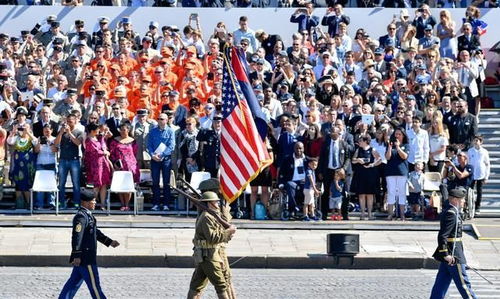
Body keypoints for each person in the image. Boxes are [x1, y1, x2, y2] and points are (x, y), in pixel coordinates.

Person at [58, 190, 120, 299]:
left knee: (72, 284)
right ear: (85, 203)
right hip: (86, 259)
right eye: (93, 201)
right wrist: (77, 255)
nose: (95, 203)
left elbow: (96, 233)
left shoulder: (88, 215)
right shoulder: (81, 217)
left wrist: (109, 242)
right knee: (95, 287)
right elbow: (77, 237)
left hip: (84, 258)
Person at [187, 191, 237, 299]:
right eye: (216, 202)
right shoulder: (206, 217)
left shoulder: (210, 216)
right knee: (221, 285)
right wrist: (228, 232)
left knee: (196, 285)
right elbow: (213, 238)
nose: (218, 204)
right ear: (210, 204)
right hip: (209, 256)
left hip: (208, 255)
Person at [430, 188, 477, 299]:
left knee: (440, 285)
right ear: (455, 200)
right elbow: (443, 236)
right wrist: (446, 254)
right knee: (464, 284)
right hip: (454, 255)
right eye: (462, 200)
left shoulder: (452, 211)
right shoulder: (451, 213)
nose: (464, 202)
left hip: (452, 252)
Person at [147, 112, 175, 211]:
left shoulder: (171, 131)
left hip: (166, 160)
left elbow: (171, 146)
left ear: (167, 120)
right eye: (159, 118)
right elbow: (149, 145)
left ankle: (166, 204)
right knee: (155, 182)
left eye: (162, 119)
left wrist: (162, 155)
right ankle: (156, 203)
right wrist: (152, 155)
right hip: (154, 160)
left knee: (166, 183)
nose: (160, 120)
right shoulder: (152, 131)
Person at [55, 113, 84, 208]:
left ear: (75, 121)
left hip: (74, 160)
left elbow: (78, 143)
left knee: (76, 183)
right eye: (67, 121)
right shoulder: (62, 131)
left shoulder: (79, 132)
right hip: (63, 159)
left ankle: (76, 203)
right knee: (61, 183)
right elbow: (56, 143)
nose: (68, 123)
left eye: (70, 121)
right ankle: (61, 203)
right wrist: (61, 132)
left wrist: (69, 133)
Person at [109, 122, 139, 211]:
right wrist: (115, 163)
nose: (122, 132)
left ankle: (127, 204)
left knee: (128, 186)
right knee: (120, 186)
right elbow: (112, 153)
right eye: (120, 130)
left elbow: (135, 153)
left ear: (128, 130)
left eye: (124, 130)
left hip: (130, 166)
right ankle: (122, 204)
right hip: (119, 166)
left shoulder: (133, 141)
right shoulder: (115, 140)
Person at [350, 135, 381, 220]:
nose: (359, 142)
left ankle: (370, 214)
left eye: (361, 141)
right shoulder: (358, 150)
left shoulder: (372, 149)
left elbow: (379, 159)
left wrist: (372, 164)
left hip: (370, 173)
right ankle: (362, 213)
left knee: (370, 194)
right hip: (360, 173)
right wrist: (358, 160)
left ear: (365, 141)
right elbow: (353, 160)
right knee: (361, 194)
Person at [7, 122, 37, 208]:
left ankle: (29, 204)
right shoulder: (17, 138)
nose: (23, 130)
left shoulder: (31, 139)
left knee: (27, 185)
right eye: (22, 128)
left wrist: (28, 133)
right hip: (18, 167)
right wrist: (13, 131)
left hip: (27, 167)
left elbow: (36, 142)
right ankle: (19, 204)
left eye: (25, 128)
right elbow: (9, 141)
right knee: (18, 185)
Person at [84, 123, 112, 211]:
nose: (98, 130)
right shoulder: (88, 140)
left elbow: (103, 145)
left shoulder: (98, 138)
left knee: (103, 184)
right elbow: (94, 152)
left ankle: (102, 204)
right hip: (95, 165)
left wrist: (103, 136)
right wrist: (105, 153)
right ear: (92, 131)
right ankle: (92, 203)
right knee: (97, 185)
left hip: (102, 163)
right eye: (97, 129)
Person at [385, 128, 409, 221]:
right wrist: (390, 148)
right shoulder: (390, 145)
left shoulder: (406, 145)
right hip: (391, 172)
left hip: (402, 172)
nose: (397, 136)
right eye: (396, 134)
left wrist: (398, 147)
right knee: (391, 193)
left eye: (399, 134)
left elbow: (404, 156)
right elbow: (387, 157)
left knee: (401, 193)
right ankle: (390, 214)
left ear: (403, 135)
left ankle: (402, 214)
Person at [33, 124, 57, 209]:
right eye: (45, 131)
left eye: (48, 131)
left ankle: (51, 204)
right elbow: (36, 151)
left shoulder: (54, 139)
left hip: (51, 163)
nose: (46, 133)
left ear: (51, 130)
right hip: (40, 163)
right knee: (40, 185)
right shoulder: (39, 139)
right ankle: (39, 204)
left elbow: (55, 150)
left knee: (51, 185)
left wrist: (49, 143)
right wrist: (40, 143)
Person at [467, 135, 490, 215]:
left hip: (481, 173)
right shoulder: (470, 151)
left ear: (481, 142)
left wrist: (486, 176)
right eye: (474, 140)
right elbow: (468, 162)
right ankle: (469, 206)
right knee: (470, 190)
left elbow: (487, 164)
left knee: (479, 191)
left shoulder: (484, 151)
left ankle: (478, 207)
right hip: (472, 173)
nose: (475, 142)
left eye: (477, 141)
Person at [303, 158, 320, 222]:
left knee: (312, 203)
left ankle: (312, 215)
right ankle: (305, 215)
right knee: (306, 203)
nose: (314, 166)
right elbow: (311, 181)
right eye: (313, 164)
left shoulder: (313, 171)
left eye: (316, 165)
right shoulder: (309, 171)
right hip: (308, 189)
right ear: (309, 164)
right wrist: (315, 189)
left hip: (311, 189)